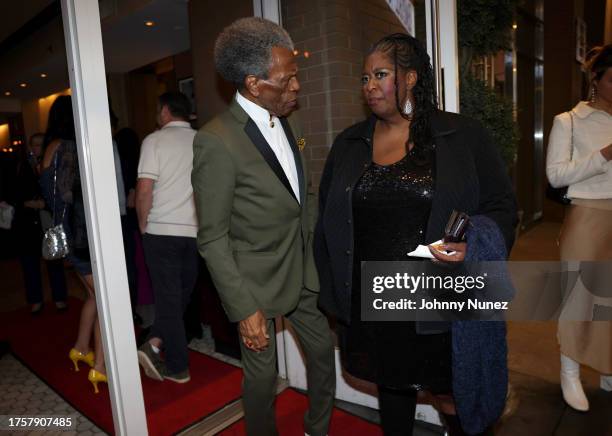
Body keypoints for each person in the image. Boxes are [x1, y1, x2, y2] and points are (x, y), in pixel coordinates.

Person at [314, 33, 517, 435]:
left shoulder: (463, 136)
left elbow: (501, 207)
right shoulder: (349, 143)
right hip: (374, 297)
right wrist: (336, 294)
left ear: (410, 78)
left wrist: (470, 243)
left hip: (442, 294)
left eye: (380, 74)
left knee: (452, 393)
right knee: (392, 386)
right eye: (364, 78)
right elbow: (329, 220)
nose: (369, 85)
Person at [192, 17, 335, 436]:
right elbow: (212, 237)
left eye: (296, 76)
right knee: (261, 381)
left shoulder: (293, 122)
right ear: (254, 84)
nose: (296, 87)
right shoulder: (216, 140)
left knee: (324, 356)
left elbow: (303, 199)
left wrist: (314, 262)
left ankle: (317, 429)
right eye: (287, 79)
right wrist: (243, 308)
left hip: (301, 275)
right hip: (253, 287)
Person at [546, 44, 612, 412]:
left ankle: (607, 367)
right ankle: (569, 371)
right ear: (596, 79)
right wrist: (604, 154)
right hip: (587, 216)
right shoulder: (569, 121)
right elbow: (555, 176)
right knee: (579, 296)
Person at [39, 95, 107, 393]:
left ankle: (81, 348)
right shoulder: (67, 148)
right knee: (106, 301)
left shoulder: (48, 148)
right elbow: (72, 196)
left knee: (93, 296)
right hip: (81, 236)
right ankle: (101, 368)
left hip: (68, 233)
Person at [136, 91, 199, 384]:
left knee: (171, 300)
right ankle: (155, 345)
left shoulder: (154, 140)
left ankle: (177, 366)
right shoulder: (202, 139)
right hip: (194, 233)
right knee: (178, 299)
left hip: (161, 232)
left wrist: (142, 226)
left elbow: (145, 189)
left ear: (164, 111)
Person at [14, 132, 68, 314]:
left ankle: (60, 298)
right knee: (30, 264)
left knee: (54, 261)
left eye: (40, 144)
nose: (37, 148)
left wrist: (44, 203)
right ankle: (36, 300)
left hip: (48, 219)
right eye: (34, 144)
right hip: (28, 223)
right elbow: (14, 191)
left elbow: (60, 191)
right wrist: (26, 202)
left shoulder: (51, 165)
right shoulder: (22, 166)